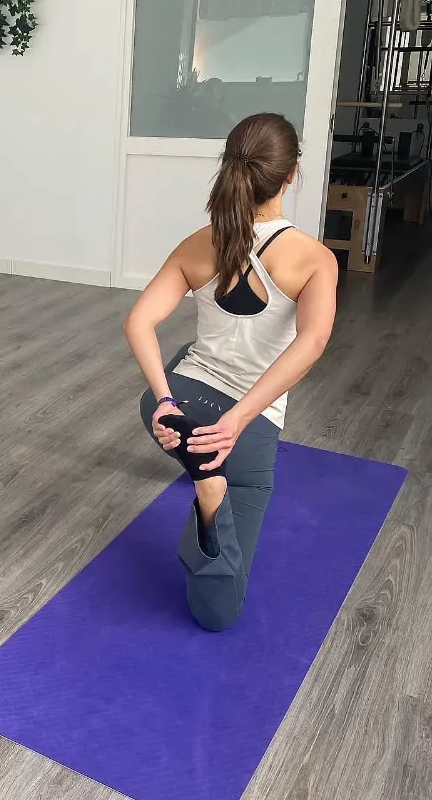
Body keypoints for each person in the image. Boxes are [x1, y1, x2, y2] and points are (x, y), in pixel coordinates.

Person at [124, 113, 338, 632]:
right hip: (238, 432)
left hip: (175, 404)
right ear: (292, 174)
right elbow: (311, 344)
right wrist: (238, 420)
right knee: (216, 615)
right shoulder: (314, 259)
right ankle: (210, 490)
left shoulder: (199, 243)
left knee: (177, 369)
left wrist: (165, 401)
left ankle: (187, 442)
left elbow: (138, 323)